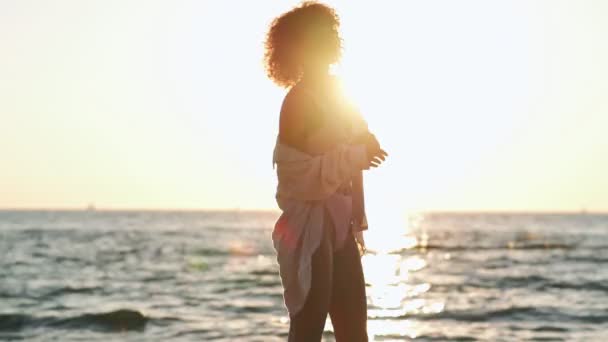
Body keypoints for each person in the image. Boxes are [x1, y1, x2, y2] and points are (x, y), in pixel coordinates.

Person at [264, 2, 388, 341]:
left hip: (340, 221)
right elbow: (306, 175)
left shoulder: (339, 91)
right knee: (308, 329)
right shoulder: (298, 101)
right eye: (321, 36)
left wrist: (362, 146)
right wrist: (357, 152)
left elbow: (362, 137)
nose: (331, 41)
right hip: (309, 224)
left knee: (354, 332)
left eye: (331, 34)